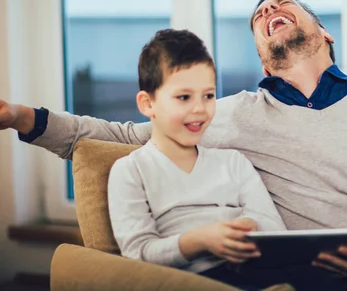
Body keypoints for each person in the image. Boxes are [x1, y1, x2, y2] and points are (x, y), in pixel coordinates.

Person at [0, 0, 347, 289]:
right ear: (263, 61)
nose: (268, 9)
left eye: (282, 4)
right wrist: (22, 117)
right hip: (308, 275)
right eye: (259, 15)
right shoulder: (228, 114)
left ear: (325, 32)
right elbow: (119, 136)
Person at [107, 28, 304, 290]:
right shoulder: (131, 170)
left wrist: (249, 229)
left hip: (253, 271)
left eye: (208, 95)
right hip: (189, 281)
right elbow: (138, 254)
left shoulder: (233, 162)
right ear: (147, 104)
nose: (199, 108)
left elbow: (275, 232)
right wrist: (199, 240)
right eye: (184, 97)